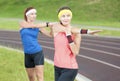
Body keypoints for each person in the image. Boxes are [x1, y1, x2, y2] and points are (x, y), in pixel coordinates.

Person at [20, 6, 101, 81]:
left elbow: (76, 51)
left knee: (39, 76)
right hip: (57, 67)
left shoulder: (75, 33)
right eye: (63, 16)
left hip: (70, 68)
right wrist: (86, 31)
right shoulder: (56, 27)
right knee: (31, 77)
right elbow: (65, 29)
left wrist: (72, 35)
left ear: (71, 17)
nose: (66, 18)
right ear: (59, 17)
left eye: (68, 15)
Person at [19, 7, 52, 81]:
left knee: (39, 76)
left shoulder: (39, 27)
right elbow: (32, 26)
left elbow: (50, 35)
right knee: (31, 77)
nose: (34, 16)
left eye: (35, 14)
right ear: (27, 15)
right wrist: (47, 24)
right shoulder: (22, 24)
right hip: (27, 54)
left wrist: (52, 27)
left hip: (37, 53)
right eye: (32, 14)